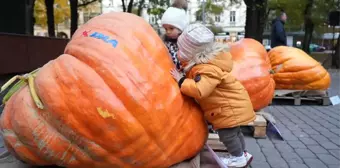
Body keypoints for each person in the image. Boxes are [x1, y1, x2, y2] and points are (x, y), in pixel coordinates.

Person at [170, 23, 256, 168]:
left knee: (228, 135)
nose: (178, 52)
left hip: (228, 109)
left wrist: (181, 81)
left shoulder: (207, 69)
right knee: (235, 133)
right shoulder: (207, 65)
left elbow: (199, 90)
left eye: (181, 49)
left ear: (191, 53)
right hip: (231, 106)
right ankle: (242, 154)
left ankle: (238, 158)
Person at [161, 0, 188, 70]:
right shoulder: (165, 43)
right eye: (166, 29)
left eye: (171, 28)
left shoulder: (188, 44)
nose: (168, 32)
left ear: (181, 28)